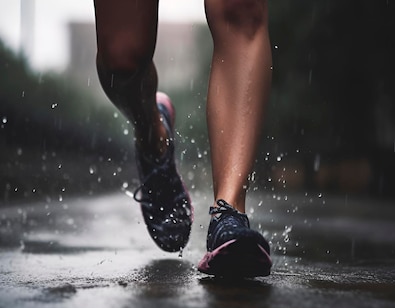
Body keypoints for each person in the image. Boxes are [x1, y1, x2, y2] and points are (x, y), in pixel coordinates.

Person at [93, 0, 272, 277]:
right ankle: (154, 135)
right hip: (128, 71)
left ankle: (228, 213)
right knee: (122, 57)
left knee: (241, 9)